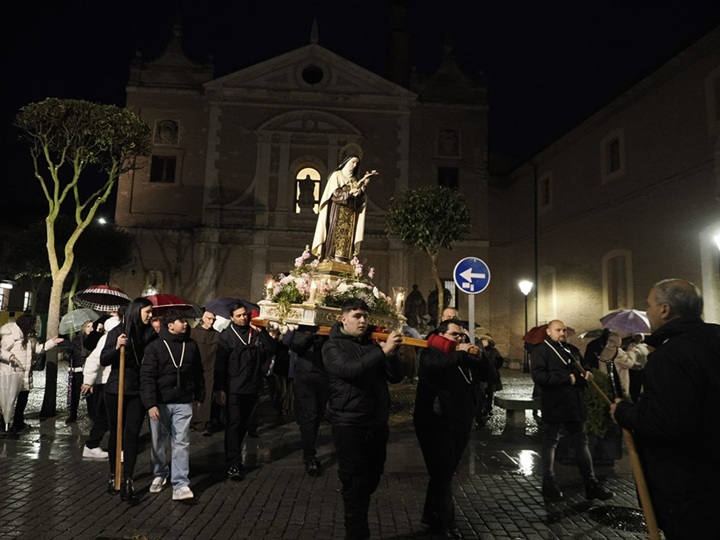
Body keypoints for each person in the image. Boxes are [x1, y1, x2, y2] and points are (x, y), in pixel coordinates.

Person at [610, 279, 720, 539]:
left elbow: (667, 422)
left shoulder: (671, 356)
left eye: (649, 305)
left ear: (665, 310)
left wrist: (624, 412)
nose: (647, 312)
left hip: (690, 487)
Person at [322, 298, 404, 540]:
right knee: (354, 480)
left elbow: (396, 377)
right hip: (348, 421)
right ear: (343, 318)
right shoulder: (332, 346)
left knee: (374, 474)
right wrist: (383, 352)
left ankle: (358, 509)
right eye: (357, 316)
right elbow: (348, 370)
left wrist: (392, 355)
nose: (362, 320)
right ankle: (357, 533)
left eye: (365, 316)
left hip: (376, 421)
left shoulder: (373, 342)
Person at [414, 319, 487, 539]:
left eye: (461, 336)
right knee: (444, 474)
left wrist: (480, 355)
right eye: (454, 335)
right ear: (441, 334)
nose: (458, 339)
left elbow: (489, 374)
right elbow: (435, 367)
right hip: (436, 422)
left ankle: (430, 515)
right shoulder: (432, 350)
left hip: (461, 421)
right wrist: (463, 353)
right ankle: (447, 523)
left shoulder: (465, 354)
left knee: (441, 474)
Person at [530, 319, 613, 501]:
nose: (562, 333)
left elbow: (584, 366)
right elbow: (539, 376)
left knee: (581, 442)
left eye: (564, 330)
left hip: (575, 404)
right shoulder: (541, 351)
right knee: (550, 441)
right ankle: (549, 483)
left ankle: (590, 484)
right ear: (549, 332)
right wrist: (568, 379)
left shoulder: (571, 350)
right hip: (554, 403)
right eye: (558, 330)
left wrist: (588, 372)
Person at [141, 310, 205, 502]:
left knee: (181, 442)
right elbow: (147, 377)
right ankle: (160, 473)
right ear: (170, 325)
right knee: (158, 442)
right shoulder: (155, 347)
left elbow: (198, 372)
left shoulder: (191, 345)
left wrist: (199, 396)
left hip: (184, 401)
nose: (185, 324)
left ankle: (180, 483)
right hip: (161, 402)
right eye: (182, 321)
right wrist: (151, 403)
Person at [100, 297, 157, 502]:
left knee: (132, 434)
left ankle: (127, 479)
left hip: (137, 391)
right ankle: (112, 475)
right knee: (116, 433)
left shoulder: (150, 334)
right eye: (148, 312)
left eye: (151, 312)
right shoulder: (118, 332)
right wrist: (116, 347)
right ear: (137, 311)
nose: (151, 316)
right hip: (117, 390)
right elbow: (103, 359)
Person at [214, 303, 276, 480]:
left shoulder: (255, 333)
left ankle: (236, 454)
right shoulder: (226, 337)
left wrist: (262, 332)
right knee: (233, 424)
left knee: (244, 424)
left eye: (244, 315)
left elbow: (273, 349)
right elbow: (220, 364)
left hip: (253, 386)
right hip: (234, 388)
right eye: (239, 316)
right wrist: (220, 388)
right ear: (232, 318)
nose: (243, 318)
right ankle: (232, 462)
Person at [311, 148, 377, 263]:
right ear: (346, 162)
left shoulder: (355, 179)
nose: (355, 165)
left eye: (357, 163)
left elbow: (359, 200)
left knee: (348, 237)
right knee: (335, 235)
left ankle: (345, 258)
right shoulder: (337, 175)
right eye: (353, 162)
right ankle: (331, 256)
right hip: (337, 212)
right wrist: (350, 192)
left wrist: (363, 187)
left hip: (350, 214)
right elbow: (334, 195)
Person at [0, 314, 63, 432]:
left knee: (22, 400)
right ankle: (4, 423)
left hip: (25, 374)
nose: (35, 326)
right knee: (8, 400)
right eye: (33, 324)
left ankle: (18, 422)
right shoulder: (11, 335)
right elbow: (1, 351)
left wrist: (51, 342)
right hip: (12, 374)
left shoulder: (30, 337)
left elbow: (37, 349)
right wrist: (10, 356)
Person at [288, 328, 330, 476]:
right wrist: (311, 334)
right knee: (309, 416)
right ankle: (309, 456)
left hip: (325, 377)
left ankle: (309, 448)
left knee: (318, 415)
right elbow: (295, 346)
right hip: (306, 377)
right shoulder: (305, 328)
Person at [81, 312, 121, 459]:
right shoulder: (109, 338)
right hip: (106, 382)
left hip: (109, 381)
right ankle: (93, 445)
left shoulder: (110, 336)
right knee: (106, 416)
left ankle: (93, 445)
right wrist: (88, 381)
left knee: (106, 417)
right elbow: (94, 359)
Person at [190, 310, 220, 436]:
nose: (211, 322)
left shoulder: (217, 335)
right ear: (202, 318)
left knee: (208, 396)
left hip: (211, 369)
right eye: (209, 318)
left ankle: (206, 423)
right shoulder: (193, 333)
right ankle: (195, 422)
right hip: (196, 368)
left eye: (213, 319)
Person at [66, 319, 94, 424]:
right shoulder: (77, 339)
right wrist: (68, 355)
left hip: (90, 370)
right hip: (78, 369)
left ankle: (92, 414)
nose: (91, 328)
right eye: (88, 326)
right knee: (75, 393)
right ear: (83, 328)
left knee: (90, 394)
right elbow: (70, 351)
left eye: (92, 326)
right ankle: (73, 415)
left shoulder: (96, 339)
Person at [476, 332, 504, 426]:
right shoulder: (479, 350)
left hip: (492, 374)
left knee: (490, 392)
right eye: (482, 340)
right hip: (483, 375)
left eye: (485, 340)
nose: (483, 342)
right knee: (482, 392)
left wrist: (494, 367)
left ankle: (489, 407)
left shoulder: (494, 351)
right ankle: (484, 408)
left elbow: (500, 360)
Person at [623, 333, 649, 403]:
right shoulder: (631, 346)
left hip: (642, 370)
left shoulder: (644, 346)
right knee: (633, 387)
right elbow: (629, 357)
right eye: (637, 336)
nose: (638, 338)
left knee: (639, 387)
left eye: (640, 337)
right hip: (634, 370)